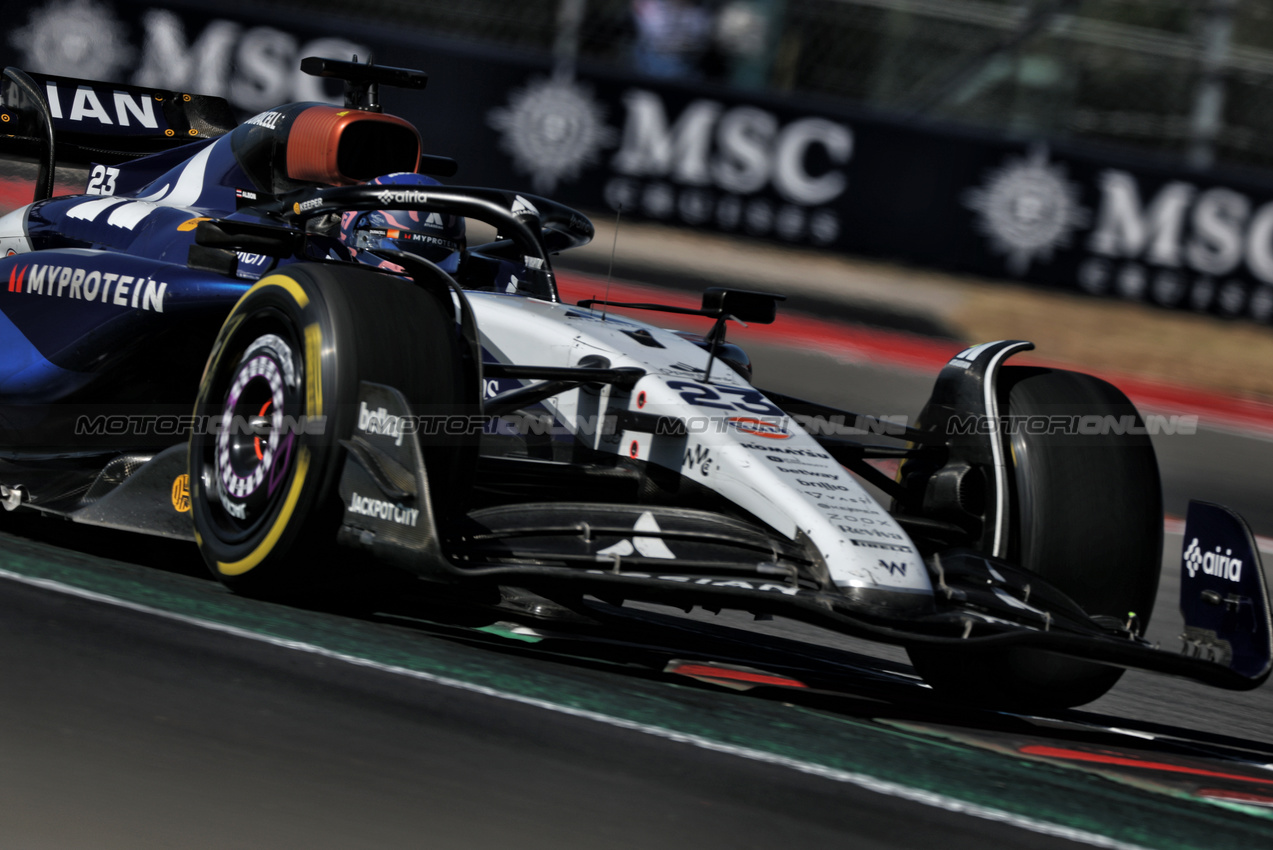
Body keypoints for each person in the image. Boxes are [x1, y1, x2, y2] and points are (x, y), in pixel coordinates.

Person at [631, 0, 714, 79]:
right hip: (651, 70)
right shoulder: (652, 9)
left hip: (688, 73)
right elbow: (656, 39)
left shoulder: (699, 16)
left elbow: (697, 44)